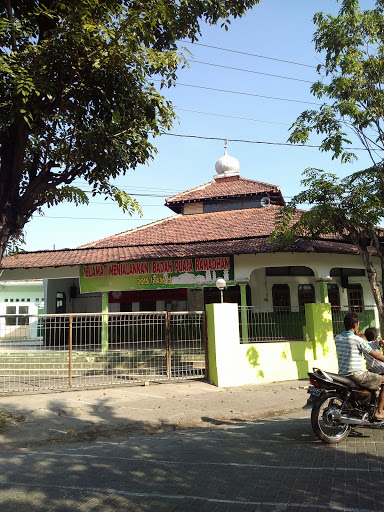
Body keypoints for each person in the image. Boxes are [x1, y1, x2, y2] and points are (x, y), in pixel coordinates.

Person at [335, 313, 384, 421]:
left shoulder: (338, 338)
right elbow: (376, 355)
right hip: (356, 375)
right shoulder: (358, 340)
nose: (358, 326)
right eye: (358, 324)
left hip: (343, 374)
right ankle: (379, 412)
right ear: (354, 325)